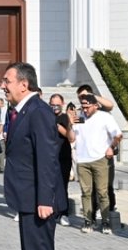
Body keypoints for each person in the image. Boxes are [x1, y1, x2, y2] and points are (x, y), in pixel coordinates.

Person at [0, 62, 61, 250]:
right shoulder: (20, 111)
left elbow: (48, 158)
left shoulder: (39, 112)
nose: (3, 85)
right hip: (27, 198)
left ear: (24, 84)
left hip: (40, 201)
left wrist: (45, 199)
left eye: (7, 81)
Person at [73, 94, 120, 233]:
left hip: (100, 158)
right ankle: (88, 220)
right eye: (83, 107)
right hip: (82, 160)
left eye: (87, 107)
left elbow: (118, 135)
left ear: (95, 105)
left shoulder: (105, 117)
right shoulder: (80, 118)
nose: (85, 110)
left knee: (102, 192)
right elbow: (72, 137)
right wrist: (70, 123)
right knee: (86, 192)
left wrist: (111, 147)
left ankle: (105, 222)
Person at [77, 83, 117, 212]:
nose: (82, 99)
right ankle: (91, 215)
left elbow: (111, 105)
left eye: (84, 96)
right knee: (90, 190)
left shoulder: (100, 109)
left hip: (104, 156)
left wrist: (92, 97)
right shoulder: (82, 112)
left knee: (106, 187)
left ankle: (109, 214)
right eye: (80, 97)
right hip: (87, 157)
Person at [49, 94, 75, 226]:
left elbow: (70, 137)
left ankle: (64, 213)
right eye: (52, 104)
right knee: (50, 186)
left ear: (62, 104)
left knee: (62, 186)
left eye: (57, 104)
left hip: (63, 156)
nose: (55, 107)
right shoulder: (46, 117)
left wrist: (58, 126)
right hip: (49, 157)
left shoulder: (64, 118)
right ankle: (53, 211)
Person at [0, 97, 8, 173]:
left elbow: (2, 123)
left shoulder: (3, 110)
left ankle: (2, 167)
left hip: (1, 134)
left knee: (1, 152)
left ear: (2, 104)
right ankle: (1, 166)